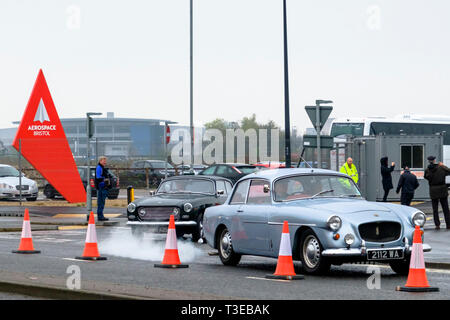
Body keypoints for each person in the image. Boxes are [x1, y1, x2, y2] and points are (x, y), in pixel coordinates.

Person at [424, 156, 450, 229]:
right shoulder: (441, 168)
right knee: (445, 208)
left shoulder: (427, 170)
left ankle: (437, 224)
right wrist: (443, 165)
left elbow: (426, 177)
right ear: (435, 160)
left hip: (433, 190)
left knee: (435, 209)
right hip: (442, 189)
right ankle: (448, 224)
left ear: (429, 161)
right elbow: (449, 171)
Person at [93, 156, 110, 222]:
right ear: (100, 161)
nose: (105, 162)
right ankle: (100, 216)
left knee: (102, 202)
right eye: (104, 160)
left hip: (103, 187)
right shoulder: (99, 167)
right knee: (101, 202)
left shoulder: (102, 168)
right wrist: (105, 179)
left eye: (105, 160)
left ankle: (101, 215)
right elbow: (98, 177)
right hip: (101, 187)